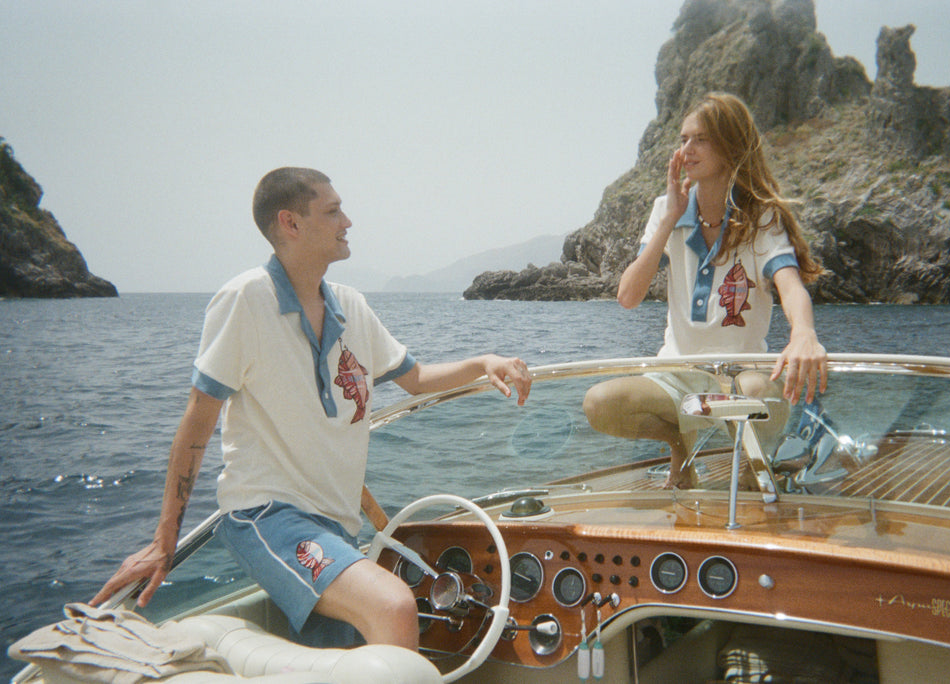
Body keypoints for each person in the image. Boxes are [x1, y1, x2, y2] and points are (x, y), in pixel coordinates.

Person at [90, 167, 532, 651]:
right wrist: (164, 539)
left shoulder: (351, 307)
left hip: (336, 527)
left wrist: (484, 362)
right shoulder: (245, 300)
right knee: (393, 606)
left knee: (350, 653)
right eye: (332, 210)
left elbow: (416, 379)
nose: (348, 221)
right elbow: (198, 420)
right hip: (267, 515)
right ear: (290, 223)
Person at [583, 92, 826, 488]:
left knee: (751, 394)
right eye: (683, 140)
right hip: (674, 377)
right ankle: (682, 446)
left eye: (701, 139)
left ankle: (753, 465)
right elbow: (628, 297)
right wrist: (670, 220)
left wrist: (804, 333)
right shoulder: (667, 208)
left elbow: (790, 285)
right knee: (599, 403)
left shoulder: (760, 216)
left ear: (730, 147)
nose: (687, 149)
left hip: (743, 378)